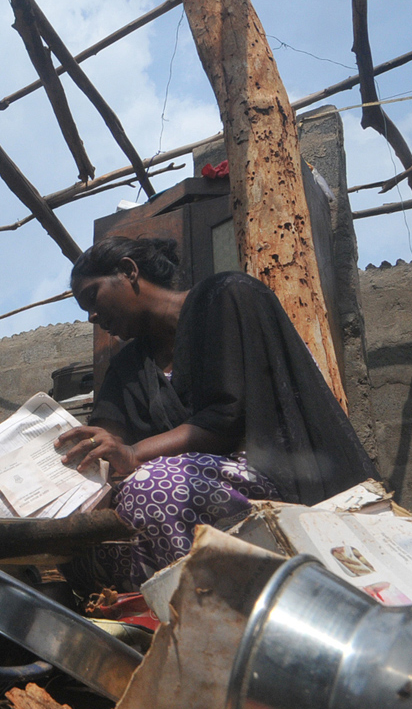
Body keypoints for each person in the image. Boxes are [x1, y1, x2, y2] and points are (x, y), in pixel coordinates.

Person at [54, 236, 379, 590]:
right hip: (177, 494)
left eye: (92, 297)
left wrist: (133, 455)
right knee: (80, 543)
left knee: (154, 488)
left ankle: (209, 610)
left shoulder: (226, 297)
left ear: (129, 272)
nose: (92, 317)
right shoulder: (128, 366)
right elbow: (106, 436)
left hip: (270, 475)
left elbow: (227, 418)